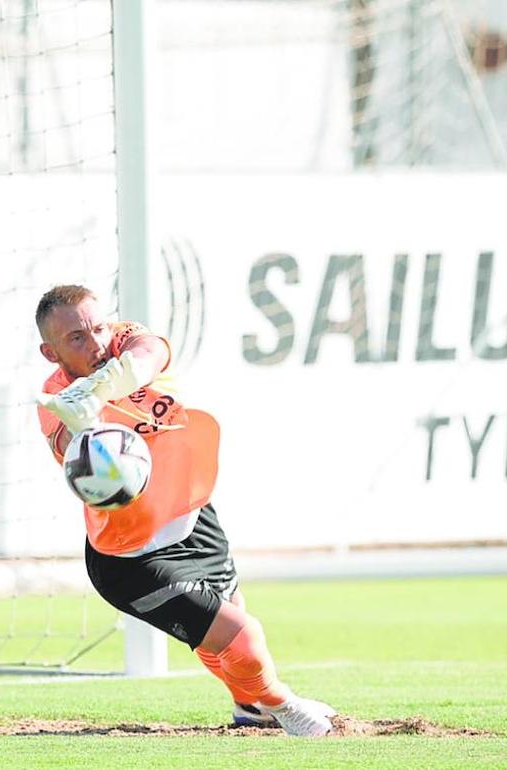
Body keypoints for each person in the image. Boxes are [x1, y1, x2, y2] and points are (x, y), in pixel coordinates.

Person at [33, 284, 335, 736]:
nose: (95, 343)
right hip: (131, 556)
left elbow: (149, 354)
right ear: (49, 352)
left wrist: (100, 387)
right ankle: (285, 706)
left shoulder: (122, 342)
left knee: (226, 626)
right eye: (76, 338)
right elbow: (75, 458)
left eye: (97, 326)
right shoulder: (55, 401)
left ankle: (249, 707)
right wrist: (82, 426)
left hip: (191, 512)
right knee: (242, 633)